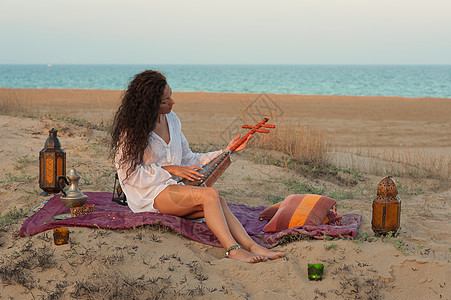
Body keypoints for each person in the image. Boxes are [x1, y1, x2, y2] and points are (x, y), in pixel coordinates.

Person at [110, 70, 285, 263]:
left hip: (173, 189)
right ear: (149, 105)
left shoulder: (172, 120)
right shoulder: (131, 133)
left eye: (171, 96)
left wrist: (227, 150)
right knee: (209, 194)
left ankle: (253, 246)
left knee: (219, 201)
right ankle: (233, 249)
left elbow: (189, 158)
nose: (172, 102)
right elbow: (129, 175)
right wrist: (169, 170)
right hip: (147, 194)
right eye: (165, 100)